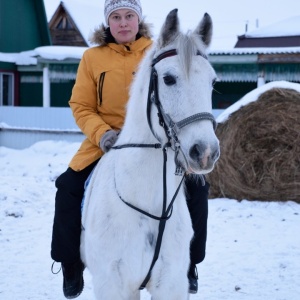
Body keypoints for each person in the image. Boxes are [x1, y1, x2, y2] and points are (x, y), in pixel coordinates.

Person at [51, 0, 210, 298]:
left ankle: (188, 265)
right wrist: (102, 134)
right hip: (105, 142)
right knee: (67, 188)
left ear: (138, 20)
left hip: (158, 141)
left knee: (199, 190)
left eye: (129, 16)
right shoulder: (92, 58)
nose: (123, 23)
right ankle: (70, 262)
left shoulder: (157, 51)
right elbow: (81, 106)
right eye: (116, 17)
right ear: (107, 23)